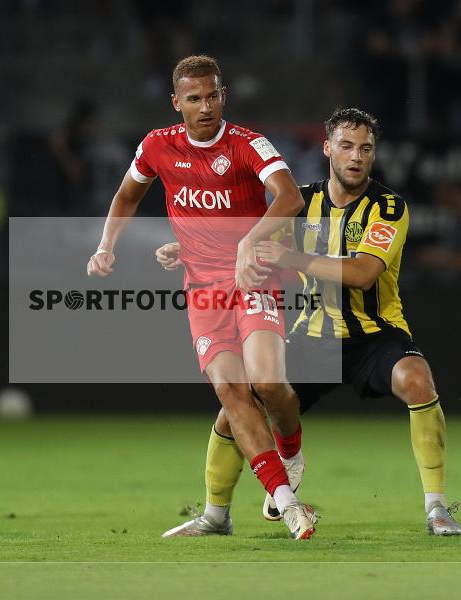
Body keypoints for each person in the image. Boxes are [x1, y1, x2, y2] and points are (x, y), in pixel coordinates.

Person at [157, 107, 461, 536]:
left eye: (365, 148)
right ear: (327, 149)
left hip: (374, 336)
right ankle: (215, 515)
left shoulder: (389, 207)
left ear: (374, 155)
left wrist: (290, 257)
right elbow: (244, 244)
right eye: (346, 146)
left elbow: (363, 273)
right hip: (310, 336)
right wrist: (185, 250)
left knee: (417, 379)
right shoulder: (301, 201)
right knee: (236, 408)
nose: (356, 156)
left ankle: (436, 509)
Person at [87, 55, 316, 540]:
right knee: (232, 393)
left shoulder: (248, 144)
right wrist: (107, 245)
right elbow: (127, 195)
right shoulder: (157, 147)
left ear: (223, 96)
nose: (205, 106)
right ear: (177, 103)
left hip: (254, 278)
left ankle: (291, 450)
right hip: (203, 291)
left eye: (212, 95)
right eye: (194, 98)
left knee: (268, 383)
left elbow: (290, 198)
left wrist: (249, 243)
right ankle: (285, 500)